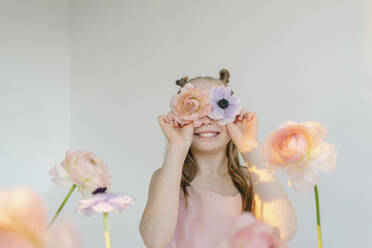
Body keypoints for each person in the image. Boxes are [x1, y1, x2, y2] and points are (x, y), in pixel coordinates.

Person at [139, 69, 297, 248]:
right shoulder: (168, 180)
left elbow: (284, 230)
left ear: (235, 114)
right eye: (194, 107)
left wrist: (249, 148)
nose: (207, 119)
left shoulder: (249, 180)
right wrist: (177, 147)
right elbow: (155, 240)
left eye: (218, 106)